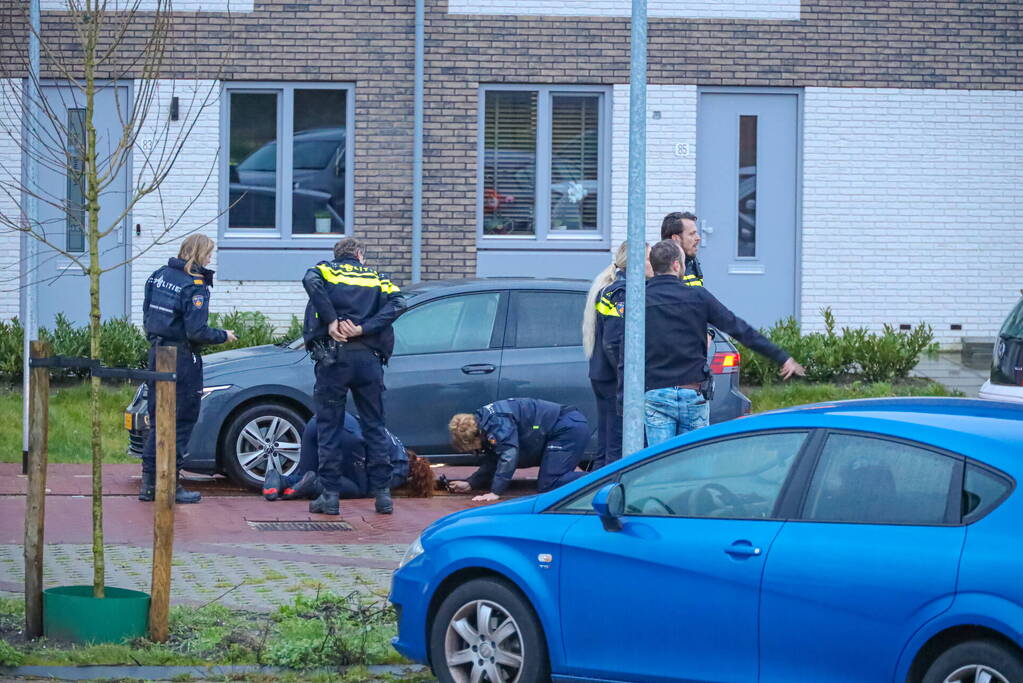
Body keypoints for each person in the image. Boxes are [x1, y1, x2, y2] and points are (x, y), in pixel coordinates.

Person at [626, 240, 805, 446]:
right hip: (692, 392)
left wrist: (624, 399)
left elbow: (624, 348)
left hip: (656, 393)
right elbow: (738, 327)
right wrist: (781, 357)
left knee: (658, 461)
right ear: (676, 265)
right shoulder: (697, 296)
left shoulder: (639, 300)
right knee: (694, 459)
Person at [302, 237, 406, 516]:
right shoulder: (376, 277)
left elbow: (309, 280)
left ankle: (330, 496)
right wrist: (364, 328)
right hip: (369, 359)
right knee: (374, 426)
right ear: (359, 255)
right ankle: (383, 496)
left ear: (337, 255)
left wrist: (331, 320)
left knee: (329, 427)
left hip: (334, 359)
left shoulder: (326, 270)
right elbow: (399, 302)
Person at [139, 234, 237, 504]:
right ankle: (170, 483)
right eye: (209, 254)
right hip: (182, 358)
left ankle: (149, 483)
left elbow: (147, 315)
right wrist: (223, 336)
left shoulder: (158, 275)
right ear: (199, 254)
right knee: (181, 420)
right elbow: (197, 331)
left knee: (158, 419)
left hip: (157, 354)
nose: (210, 260)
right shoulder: (195, 286)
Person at [581, 242, 651, 469]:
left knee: (606, 441)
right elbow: (614, 342)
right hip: (615, 380)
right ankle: (609, 485)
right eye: (648, 258)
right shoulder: (623, 292)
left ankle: (597, 482)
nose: (653, 263)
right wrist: (628, 379)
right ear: (636, 263)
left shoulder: (611, 287)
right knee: (616, 445)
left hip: (603, 374)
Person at [262, 413, 435, 501]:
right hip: (349, 435)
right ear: (412, 477)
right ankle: (315, 485)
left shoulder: (395, 443)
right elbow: (377, 486)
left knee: (304, 475)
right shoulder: (401, 468)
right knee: (360, 490)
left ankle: (279, 480)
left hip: (318, 421)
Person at [446, 398, 589, 503]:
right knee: (548, 482)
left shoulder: (497, 424)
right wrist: (471, 483)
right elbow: (494, 459)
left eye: (473, 448)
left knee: (550, 483)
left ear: (474, 437)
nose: (476, 452)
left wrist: (495, 492)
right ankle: (599, 479)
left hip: (567, 429)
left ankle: (599, 480)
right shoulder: (485, 421)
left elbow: (508, 456)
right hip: (563, 424)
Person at [661, 211, 704, 287]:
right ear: (675, 239)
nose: (698, 238)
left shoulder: (692, 263)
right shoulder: (659, 270)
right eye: (692, 234)